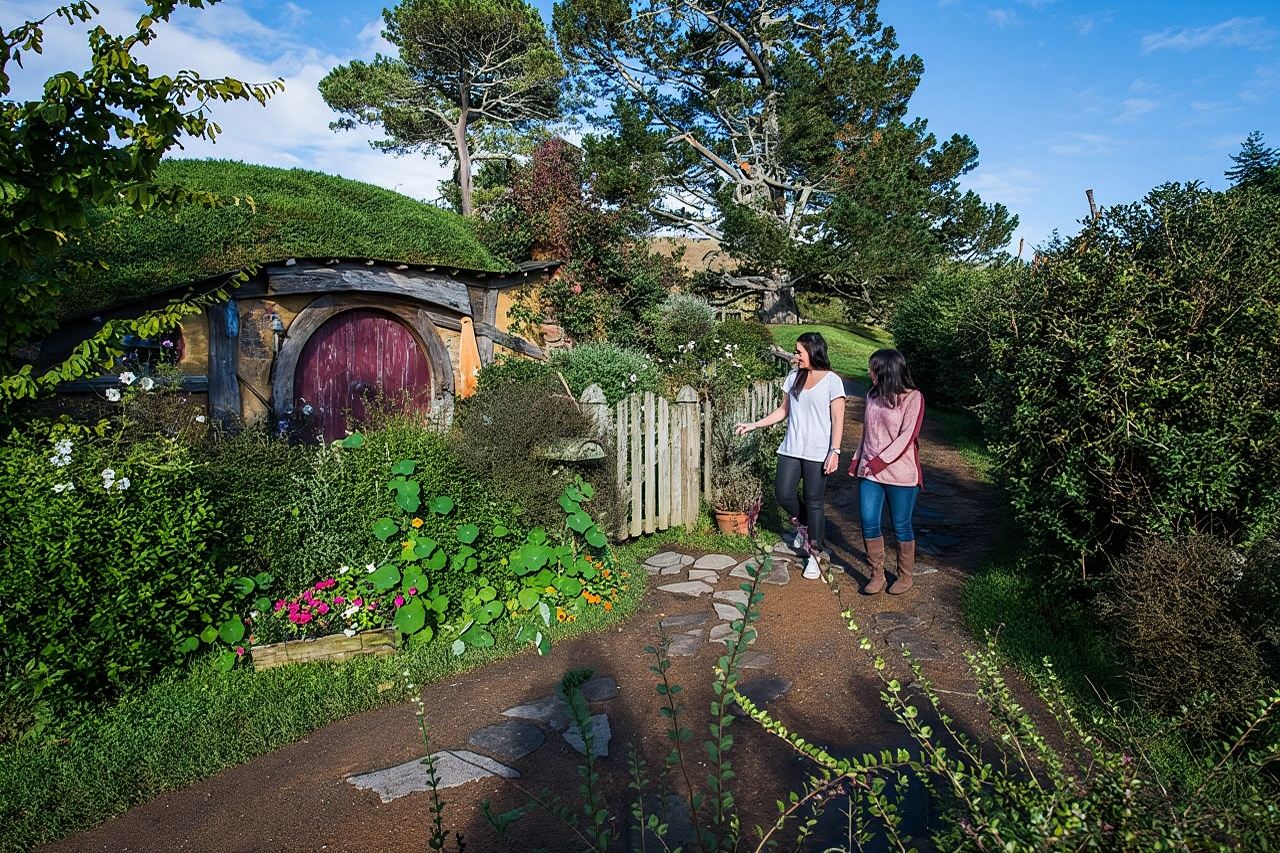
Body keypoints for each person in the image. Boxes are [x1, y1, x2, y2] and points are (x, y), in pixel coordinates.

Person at [736, 332, 846, 579]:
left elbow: (838, 418)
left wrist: (835, 451)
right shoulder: (793, 377)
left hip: (818, 452)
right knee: (784, 494)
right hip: (791, 449)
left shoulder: (832, 382)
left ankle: (815, 555)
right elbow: (783, 411)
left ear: (813, 351)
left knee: (814, 501)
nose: (795, 356)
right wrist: (754, 424)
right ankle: (808, 527)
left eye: (799, 352)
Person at [849, 348, 925, 594]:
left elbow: (907, 437)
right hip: (870, 472)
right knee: (868, 521)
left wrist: (880, 462)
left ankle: (905, 576)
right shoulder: (872, 395)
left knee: (901, 525)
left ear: (886, 370)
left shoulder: (913, 398)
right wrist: (857, 459)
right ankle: (877, 575)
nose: (870, 372)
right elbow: (868, 433)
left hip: (901, 475)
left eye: (873, 368)